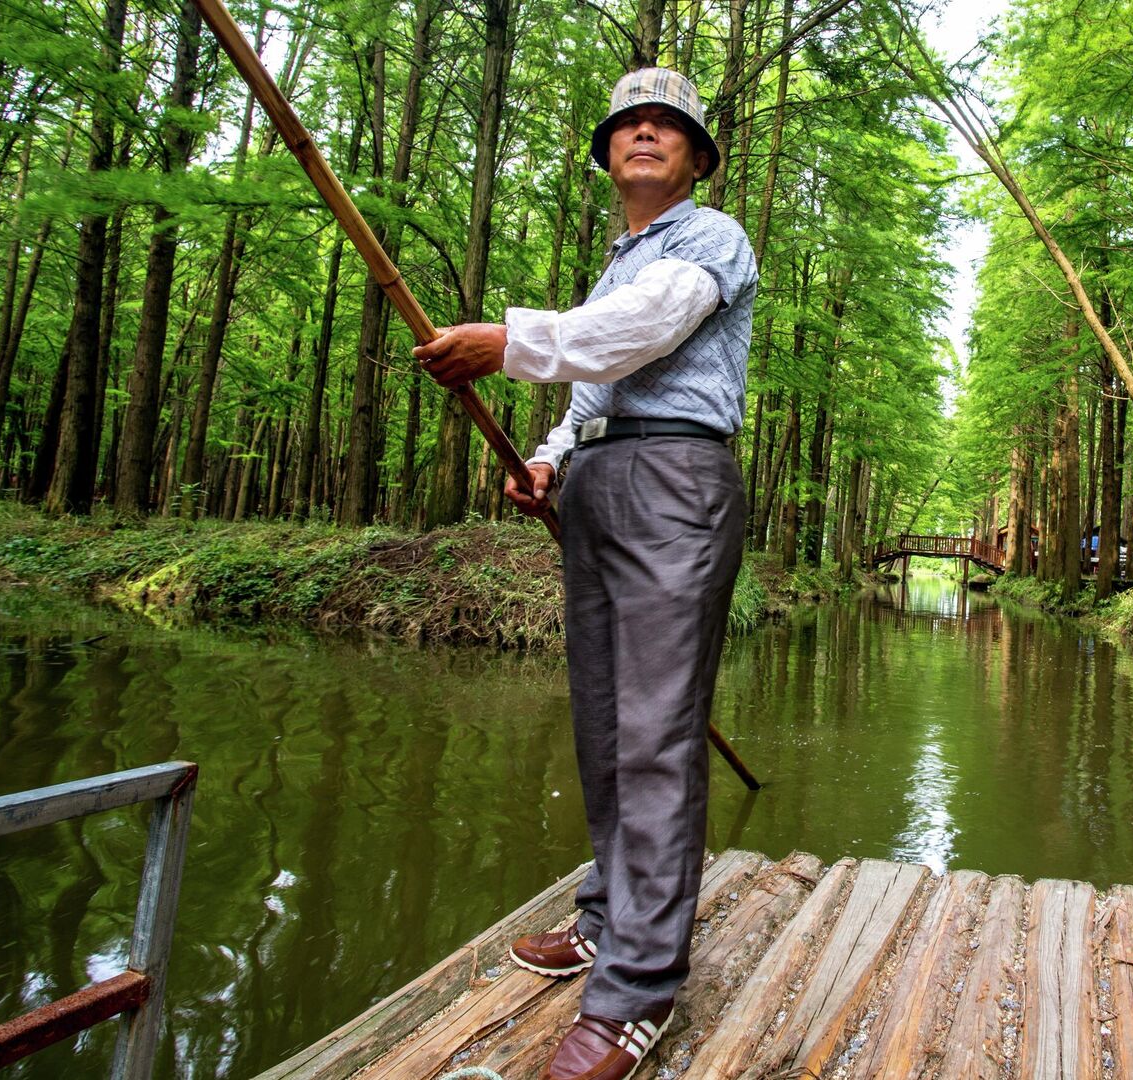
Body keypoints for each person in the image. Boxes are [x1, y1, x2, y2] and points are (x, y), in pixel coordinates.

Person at [414, 66, 756, 1080]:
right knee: (605, 722)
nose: (646, 134)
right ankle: (609, 919)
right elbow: (596, 382)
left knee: (655, 732)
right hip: (602, 482)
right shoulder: (616, 264)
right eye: (629, 123)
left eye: (668, 125)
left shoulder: (710, 239)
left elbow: (643, 332)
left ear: (696, 156)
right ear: (608, 152)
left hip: (675, 482)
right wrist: (553, 458)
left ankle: (637, 994)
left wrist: (510, 340)